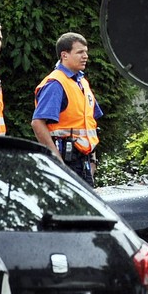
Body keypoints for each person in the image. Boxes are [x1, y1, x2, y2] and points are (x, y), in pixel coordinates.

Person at [31, 32, 103, 185]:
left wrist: (93, 160)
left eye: (86, 52)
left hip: (83, 162)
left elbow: (90, 123)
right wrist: (57, 162)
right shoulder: (55, 83)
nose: (85, 56)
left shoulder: (82, 82)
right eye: (80, 52)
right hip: (67, 162)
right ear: (64, 55)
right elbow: (37, 123)